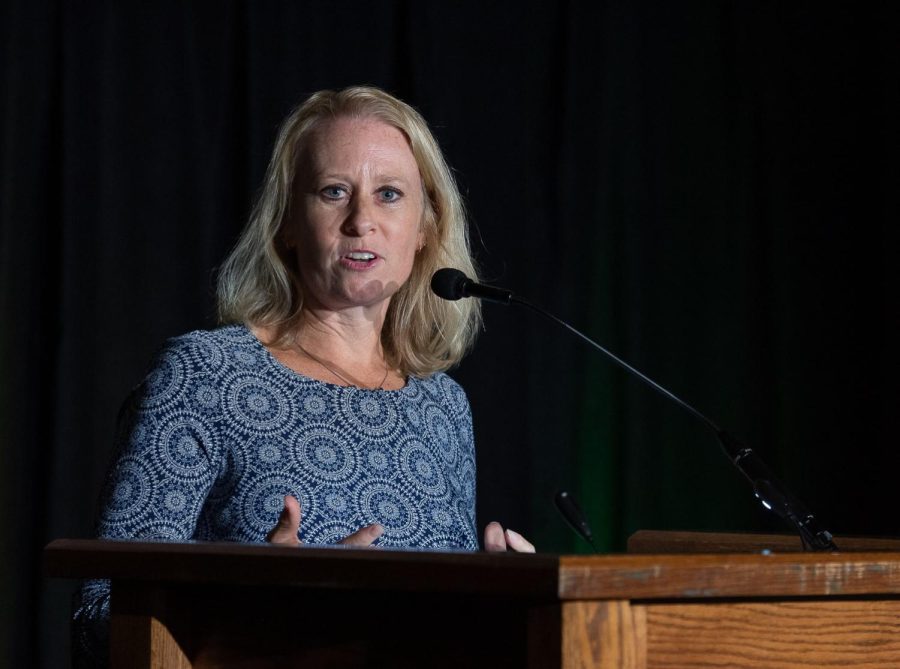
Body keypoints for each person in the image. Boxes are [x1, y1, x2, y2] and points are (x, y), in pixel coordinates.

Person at [72, 85, 533, 666]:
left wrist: (507, 603)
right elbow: (99, 618)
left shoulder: (442, 406)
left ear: (424, 231)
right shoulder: (205, 375)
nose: (361, 220)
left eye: (389, 194)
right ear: (287, 223)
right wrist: (257, 608)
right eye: (333, 192)